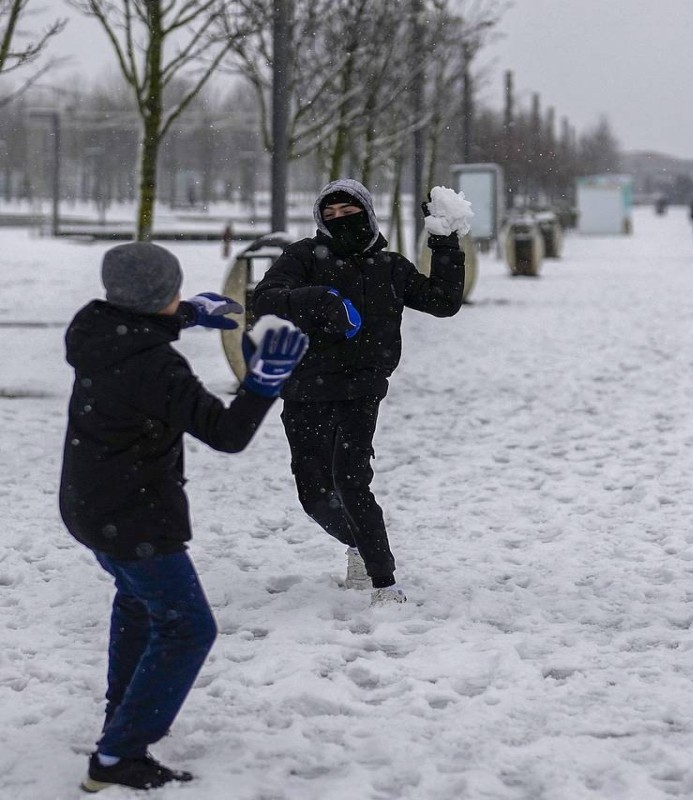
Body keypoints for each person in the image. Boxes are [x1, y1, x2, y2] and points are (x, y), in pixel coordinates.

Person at [60, 242, 308, 791]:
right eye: (174, 292)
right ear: (156, 298)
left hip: (89, 503)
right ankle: (118, 756)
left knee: (140, 603)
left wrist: (191, 310)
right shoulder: (156, 367)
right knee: (189, 629)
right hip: (135, 515)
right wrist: (263, 383)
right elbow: (226, 433)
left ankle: (120, 719)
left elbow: (140, 316)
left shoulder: (94, 329)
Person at [251, 178, 465, 607]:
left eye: (348, 212)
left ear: (366, 214)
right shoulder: (303, 257)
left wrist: (445, 245)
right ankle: (360, 545)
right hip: (305, 389)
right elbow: (266, 299)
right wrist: (318, 299)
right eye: (329, 215)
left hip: (361, 389)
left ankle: (384, 583)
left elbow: (443, 301)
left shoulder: (391, 266)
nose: (339, 220)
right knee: (313, 495)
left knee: (351, 480)